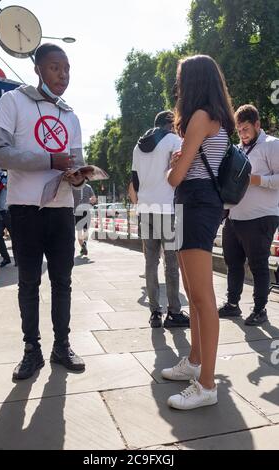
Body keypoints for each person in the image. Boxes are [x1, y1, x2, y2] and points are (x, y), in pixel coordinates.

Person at [0, 43, 93, 381]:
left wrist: (77, 177)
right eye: (54, 67)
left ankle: (61, 346)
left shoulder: (71, 115)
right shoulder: (13, 101)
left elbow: (74, 163)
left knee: (63, 280)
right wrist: (49, 160)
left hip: (61, 208)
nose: (62, 74)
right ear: (38, 68)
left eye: (66, 68)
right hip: (25, 208)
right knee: (29, 282)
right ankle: (31, 350)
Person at [161, 55, 235, 410]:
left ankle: (207, 385)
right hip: (194, 204)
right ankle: (193, 361)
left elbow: (176, 177)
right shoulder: (212, 117)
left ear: (192, 83)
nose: (177, 87)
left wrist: (173, 167)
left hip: (195, 203)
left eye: (180, 80)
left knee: (203, 297)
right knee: (193, 291)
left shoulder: (201, 117)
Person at [219, 105, 279, 326]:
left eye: (246, 129)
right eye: (239, 130)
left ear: (257, 125)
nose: (242, 134)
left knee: (258, 264)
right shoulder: (238, 149)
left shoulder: (272, 146)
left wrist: (257, 180)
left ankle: (260, 309)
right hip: (235, 217)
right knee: (232, 262)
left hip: (261, 216)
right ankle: (232, 305)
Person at [131, 111, 190, 329]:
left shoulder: (138, 147)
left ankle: (154, 312)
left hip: (145, 209)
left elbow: (135, 182)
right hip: (166, 208)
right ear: (169, 125)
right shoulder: (174, 141)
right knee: (171, 263)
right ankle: (174, 312)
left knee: (150, 262)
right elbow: (184, 170)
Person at [0, 169, 17, 267]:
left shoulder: (14, 180)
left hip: (9, 213)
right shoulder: (1, 181)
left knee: (15, 237)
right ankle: (6, 258)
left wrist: (8, 184)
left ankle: (17, 259)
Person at [73, 183, 96, 256]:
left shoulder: (73, 187)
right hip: (86, 211)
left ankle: (83, 246)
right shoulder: (88, 187)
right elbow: (93, 199)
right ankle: (85, 244)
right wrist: (88, 200)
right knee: (85, 230)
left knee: (79, 232)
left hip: (77, 211)